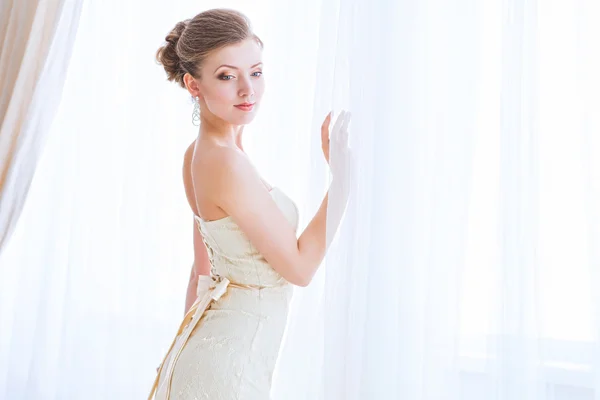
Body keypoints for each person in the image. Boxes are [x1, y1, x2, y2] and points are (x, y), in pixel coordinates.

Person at [150, 8, 351, 400]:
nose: (248, 90)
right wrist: (342, 180)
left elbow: (201, 275)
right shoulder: (224, 162)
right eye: (227, 76)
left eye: (255, 72)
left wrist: (179, 360)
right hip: (229, 368)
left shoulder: (203, 153)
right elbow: (300, 268)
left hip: (215, 356)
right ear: (194, 85)